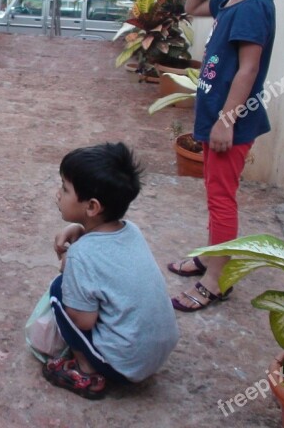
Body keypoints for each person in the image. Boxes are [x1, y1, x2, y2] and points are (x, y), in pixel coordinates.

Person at [168, 0, 284, 312]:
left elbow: (248, 70)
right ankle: (212, 254)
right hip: (216, 119)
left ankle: (217, 279)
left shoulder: (255, 7)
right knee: (214, 193)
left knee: (222, 199)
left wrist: (225, 120)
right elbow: (192, 8)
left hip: (230, 124)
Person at [42, 143, 179, 399]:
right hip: (158, 352)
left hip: (124, 364)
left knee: (57, 291)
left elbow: (83, 321)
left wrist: (70, 270)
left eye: (64, 188)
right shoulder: (131, 230)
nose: (58, 194)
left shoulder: (81, 256)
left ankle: (86, 370)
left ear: (92, 207)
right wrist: (80, 231)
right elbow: (107, 255)